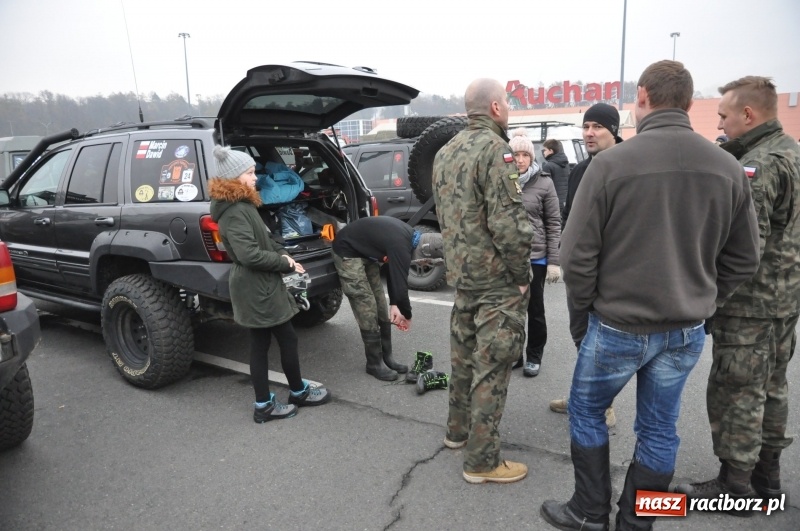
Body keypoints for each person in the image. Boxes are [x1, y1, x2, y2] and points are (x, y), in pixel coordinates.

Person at [539, 60, 760, 531]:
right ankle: (638, 522)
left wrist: (582, 322)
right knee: (660, 429)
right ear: (686, 101)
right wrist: (704, 301)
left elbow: (576, 256)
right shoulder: (728, 168)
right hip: (684, 330)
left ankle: (588, 511)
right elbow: (745, 259)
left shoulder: (610, 165)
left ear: (642, 96)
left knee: (587, 410)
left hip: (618, 324)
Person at [673, 77, 800, 514]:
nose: (721, 124)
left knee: (737, 390)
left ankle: (736, 485)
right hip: (784, 301)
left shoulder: (759, 166)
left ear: (749, 115)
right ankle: (768, 478)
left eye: (724, 116)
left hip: (750, 305)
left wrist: (712, 302)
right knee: (772, 386)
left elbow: (747, 248)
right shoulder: (793, 151)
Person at [432, 78, 533, 485]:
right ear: (495, 108)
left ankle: (457, 432)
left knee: (463, 357)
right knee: (492, 366)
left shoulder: (445, 150)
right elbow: (509, 224)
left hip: (463, 276)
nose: (508, 109)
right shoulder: (497, 151)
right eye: (506, 103)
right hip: (495, 280)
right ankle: (482, 460)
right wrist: (522, 275)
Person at [209, 145, 332, 423]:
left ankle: (274, 399)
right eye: (250, 173)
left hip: (260, 283)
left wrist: (285, 254)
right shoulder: (234, 211)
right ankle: (277, 400)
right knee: (281, 339)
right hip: (256, 286)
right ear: (233, 178)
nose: (255, 177)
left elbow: (265, 240)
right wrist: (284, 263)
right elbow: (248, 254)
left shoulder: (242, 204)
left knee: (263, 342)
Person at [549, 102, 624, 428]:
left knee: (604, 343)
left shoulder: (627, 166)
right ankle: (583, 395)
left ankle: (603, 405)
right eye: (586, 126)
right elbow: (568, 218)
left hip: (612, 274)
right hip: (580, 272)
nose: (589, 133)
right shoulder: (579, 170)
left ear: (614, 131)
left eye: (597, 127)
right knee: (581, 335)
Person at [331, 216, 443, 382]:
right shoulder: (401, 245)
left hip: (366, 252)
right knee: (366, 303)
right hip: (347, 250)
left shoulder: (409, 236)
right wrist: (407, 316)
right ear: (424, 252)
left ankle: (387, 357)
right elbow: (401, 286)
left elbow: (393, 272)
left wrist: (394, 304)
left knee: (380, 303)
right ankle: (374, 363)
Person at [507, 128, 561, 377]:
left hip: (535, 258)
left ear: (532, 157)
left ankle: (535, 355)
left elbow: (553, 223)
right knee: (510, 311)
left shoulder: (544, 182)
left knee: (535, 310)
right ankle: (515, 354)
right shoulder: (502, 181)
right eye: (515, 154)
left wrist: (553, 262)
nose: (519, 160)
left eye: (524, 155)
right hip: (507, 259)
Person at [541, 138, 570, 212]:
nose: (543, 153)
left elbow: (545, 188)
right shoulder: (566, 164)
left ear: (551, 151)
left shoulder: (548, 166)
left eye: (545, 150)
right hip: (566, 201)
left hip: (554, 203)